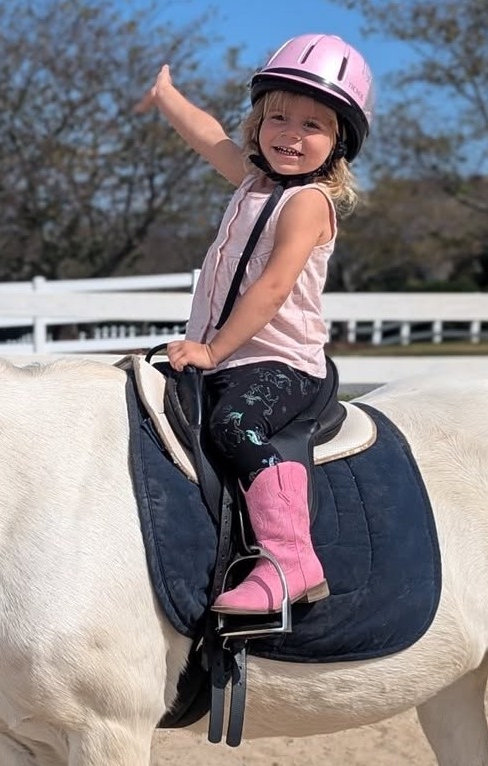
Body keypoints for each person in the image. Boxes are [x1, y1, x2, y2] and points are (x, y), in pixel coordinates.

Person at [135, 34, 374, 615]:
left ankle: (289, 559)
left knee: (235, 425)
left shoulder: (308, 204)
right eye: (278, 117)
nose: (291, 134)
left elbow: (271, 289)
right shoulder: (252, 180)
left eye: (312, 126)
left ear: (339, 141)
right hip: (229, 352)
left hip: (281, 362)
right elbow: (207, 136)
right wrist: (166, 97)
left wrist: (213, 352)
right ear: (259, 121)